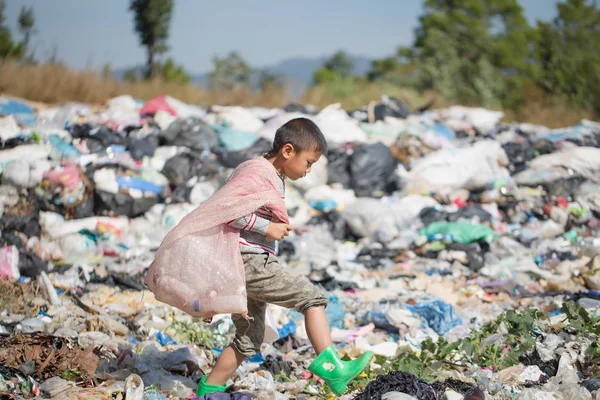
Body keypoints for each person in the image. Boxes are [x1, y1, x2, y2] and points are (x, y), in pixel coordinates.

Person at [196, 118, 373, 396]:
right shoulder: (257, 172)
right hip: (248, 260)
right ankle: (333, 370)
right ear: (288, 151)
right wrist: (269, 227)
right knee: (312, 299)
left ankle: (209, 391)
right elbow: (227, 209)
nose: (309, 170)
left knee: (249, 340)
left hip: (245, 261)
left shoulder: (267, 173)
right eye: (309, 162)